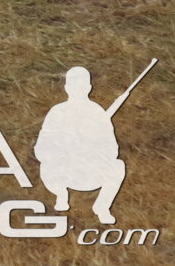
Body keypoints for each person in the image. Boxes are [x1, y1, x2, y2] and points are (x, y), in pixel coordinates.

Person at [36, 66, 128, 225]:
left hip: (90, 171)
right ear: (67, 88)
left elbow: (112, 148)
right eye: (74, 85)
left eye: (81, 86)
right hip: (63, 171)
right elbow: (43, 145)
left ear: (88, 88)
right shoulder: (57, 112)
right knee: (46, 165)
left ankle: (102, 207)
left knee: (118, 166)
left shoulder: (97, 112)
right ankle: (61, 195)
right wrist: (62, 150)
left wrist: (92, 148)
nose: (78, 89)